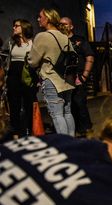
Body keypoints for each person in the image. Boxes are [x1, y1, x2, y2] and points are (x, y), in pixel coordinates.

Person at [27, 8, 76, 136]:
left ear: (47, 19)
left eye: (40, 16)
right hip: (67, 80)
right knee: (67, 112)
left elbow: (32, 61)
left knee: (57, 114)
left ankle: (64, 147)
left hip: (52, 79)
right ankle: (72, 143)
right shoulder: (65, 37)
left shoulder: (42, 36)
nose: (38, 19)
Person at [60, 17, 94, 137]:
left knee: (80, 103)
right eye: (60, 24)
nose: (62, 26)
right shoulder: (58, 40)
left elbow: (89, 57)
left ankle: (86, 130)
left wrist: (84, 75)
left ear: (71, 26)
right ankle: (71, 130)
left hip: (78, 76)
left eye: (65, 24)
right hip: (63, 78)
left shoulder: (80, 40)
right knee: (67, 106)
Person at [4, 19, 38, 139]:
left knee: (29, 105)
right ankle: (16, 132)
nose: (13, 28)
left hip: (28, 76)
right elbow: (5, 57)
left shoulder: (33, 43)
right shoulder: (12, 42)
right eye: (13, 26)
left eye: (16, 26)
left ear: (24, 27)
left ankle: (27, 130)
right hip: (13, 77)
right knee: (14, 106)